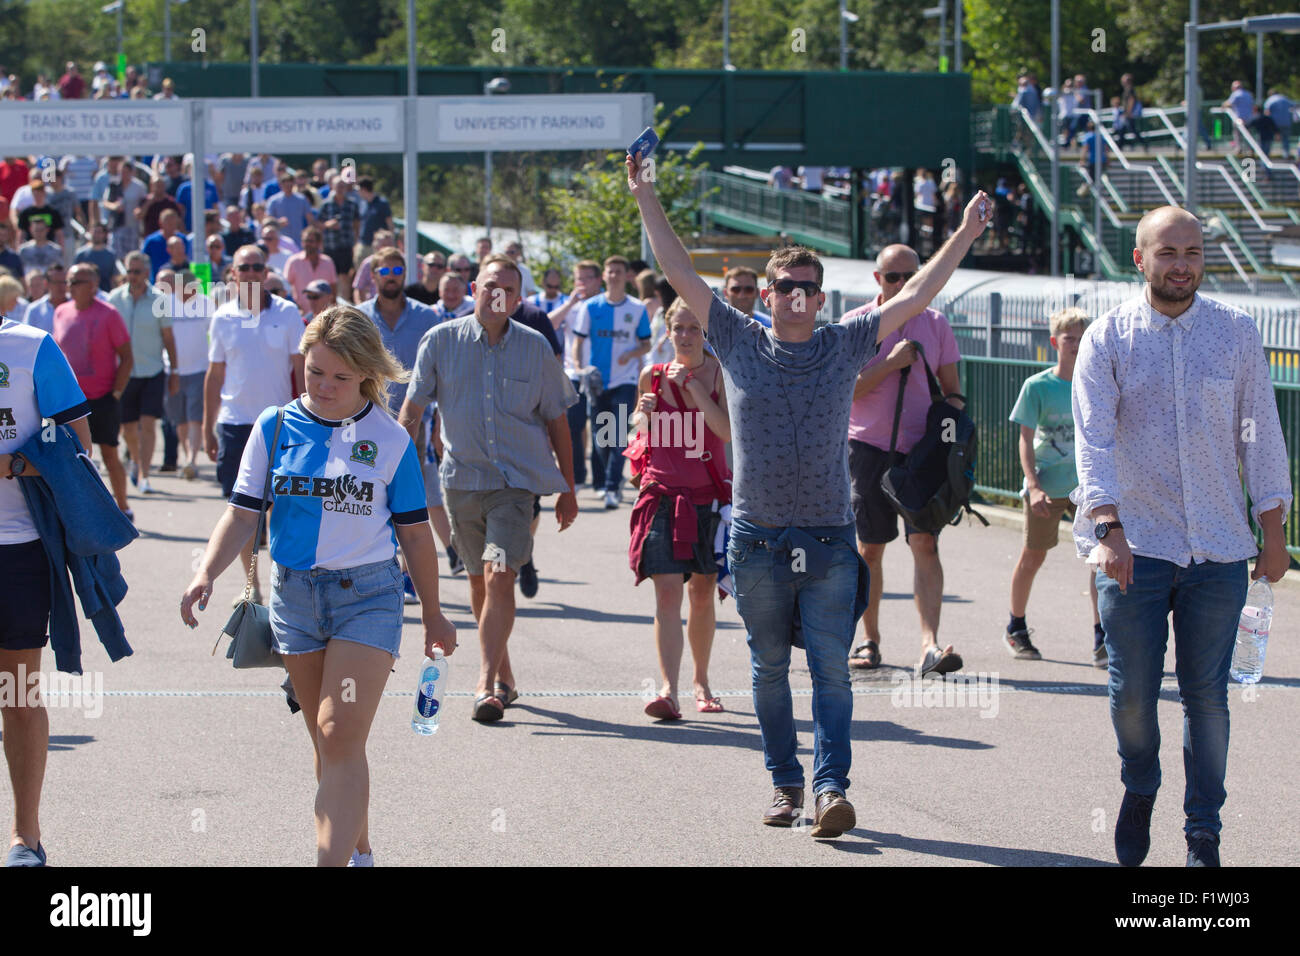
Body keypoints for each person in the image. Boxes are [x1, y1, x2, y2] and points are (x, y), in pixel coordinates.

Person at [628, 147, 992, 837]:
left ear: (820, 298)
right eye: (783, 285)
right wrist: (644, 192)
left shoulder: (845, 342)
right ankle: (785, 783)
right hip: (758, 536)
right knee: (768, 670)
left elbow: (917, 296)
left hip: (828, 536)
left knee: (832, 670)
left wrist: (967, 233)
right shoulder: (736, 339)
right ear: (766, 296)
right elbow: (677, 266)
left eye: (806, 285)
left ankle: (830, 790)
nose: (794, 295)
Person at [181, 305, 456, 867]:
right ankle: (362, 852)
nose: (325, 386)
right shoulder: (274, 426)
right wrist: (205, 571)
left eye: (341, 376)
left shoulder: (390, 438)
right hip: (294, 598)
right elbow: (241, 514)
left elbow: (416, 533)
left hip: (369, 597)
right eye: (315, 372)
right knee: (327, 742)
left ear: (366, 375)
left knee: (337, 731)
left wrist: (434, 610)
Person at [1073, 205, 1292, 868]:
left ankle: (1204, 832)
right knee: (1132, 695)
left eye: (1193, 252)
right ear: (1139, 259)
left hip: (1220, 549)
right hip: (1133, 550)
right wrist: (1108, 528)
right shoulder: (1107, 338)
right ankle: (1141, 786)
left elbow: (1259, 431)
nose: (1182, 264)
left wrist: (1274, 525)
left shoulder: (1235, 333)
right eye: (1168, 251)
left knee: (1208, 697)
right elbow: (1093, 441)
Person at [398, 254, 579, 723]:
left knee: (500, 575)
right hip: (461, 481)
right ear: (474, 286)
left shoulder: (535, 346)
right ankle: (505, 676)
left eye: (508, 289)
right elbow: (413, 409)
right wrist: (396, 472)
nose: (497, 294)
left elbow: (559, 417)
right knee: (479, 580)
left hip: (515, 485)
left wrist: (569, 487)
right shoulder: (440, 341)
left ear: (518, 299)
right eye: (490, 285)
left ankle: (484, 683)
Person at [842, 244, 965, 678]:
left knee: (925, 542)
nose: (903, 285)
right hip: (869, 448)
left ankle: (929, 645)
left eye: (911, 277)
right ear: (877, 279)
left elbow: (953, 392)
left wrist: (950, 438)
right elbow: (844, 391)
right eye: (894, 277)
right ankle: (869, 638)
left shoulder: (936, 324)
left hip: (922, 452)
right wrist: (888, 364)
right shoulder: (856, 324)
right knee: (869, 548)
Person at [0, 311, 94, 867]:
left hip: (18, 547)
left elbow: (75, 443)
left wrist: (11, 463)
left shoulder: (30, 346)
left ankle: (24, 837)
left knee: (18, 695)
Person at [628, 298, 731, 720]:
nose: (686, 335)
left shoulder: (720, 373)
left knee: (702, 594)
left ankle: (701, 681)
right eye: (679, 328)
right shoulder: (650, 376)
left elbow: (725, 431)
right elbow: (638, 434)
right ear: (667, 331)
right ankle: (668, 689)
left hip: (707, 498)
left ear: (705, 333)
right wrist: (642, 415)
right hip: (663, 495)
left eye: (694, 328)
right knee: (667, 591)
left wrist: (690, 387)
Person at [203, 245, 306, 604]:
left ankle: (283, 584)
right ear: (232, 273)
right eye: (243, 266)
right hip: (235, 425)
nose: (250, 272)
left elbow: (301, 369)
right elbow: (214, 375)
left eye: (257, 266)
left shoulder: (289, 312)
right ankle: (252, 587)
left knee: (283, 508)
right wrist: (207, 426)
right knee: (243, 509)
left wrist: (312, 419)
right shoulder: (223, 317)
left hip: (282, 423)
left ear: (266, 272)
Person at [355, 246, 457, 597]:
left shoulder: (427, 317)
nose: (392, 277)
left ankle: (412, 575)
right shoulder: (359, 318)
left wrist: (441, 422)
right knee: (371, 501)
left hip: (417, 426)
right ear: (373, 276)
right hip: (367, 424)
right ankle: (388, 571)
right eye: (384, 272)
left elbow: (444, 373)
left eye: (397, 271)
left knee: (413, 502)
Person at [1004, 307, 1103, 665]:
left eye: (1081, 338)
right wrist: (1032, 486)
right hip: (1047, 483)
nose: (1076, 345)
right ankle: (1016, 626)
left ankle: (1102, 635)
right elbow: (1025, 440)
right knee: (1033, 556)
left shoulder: (1096, 383)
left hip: (1089, 487)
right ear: (1054, 342)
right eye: (1069, 338)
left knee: (1101, 560)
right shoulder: (1038, 386)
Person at [570, 255, 652, 509]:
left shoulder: (637, 308)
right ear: (604, 276)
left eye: (618, 271)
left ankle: (611, 487)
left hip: (625, 381)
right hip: (596, 381)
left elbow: (646, 343)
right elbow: (578, 341)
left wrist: (631, 354)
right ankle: (608, 479)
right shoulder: (591, 307)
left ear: (626, 276)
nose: (614, 275)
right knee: (599, 438)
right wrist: (580, 367)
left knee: (616, 435)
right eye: (610, 271)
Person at [52, 263, 133, 517]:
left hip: (102, 399)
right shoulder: (61, 312)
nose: (70, 287)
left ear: (93, 285)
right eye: (69, 281)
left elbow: (127, 357)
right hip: (69, 402)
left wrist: (116, 394)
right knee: (72, 459)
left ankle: (123, 507)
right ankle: (79, 511)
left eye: (76, 282)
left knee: (109, 454)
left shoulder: (109, 314)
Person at [108, 252, 176, 496]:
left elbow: (168, 337)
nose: (133, 276)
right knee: (128, 429)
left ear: (147, 273)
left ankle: (145, 474)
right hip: (123, 374)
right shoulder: (114, 299)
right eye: (130, 271)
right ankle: (136, 460)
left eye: (137, 271)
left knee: (148, 424)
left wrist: (175, 370)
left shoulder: (160, 299)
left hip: (153, 371)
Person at [548, 261, 600, 490]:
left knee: (608, 428)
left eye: (587, 278)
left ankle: (607, 480)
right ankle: (578, 476)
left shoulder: (604, 305)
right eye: (579, 278)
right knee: (573, 427)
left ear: (598, 280)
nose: (582, 283)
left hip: (604, 374)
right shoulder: (569, 305)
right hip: (573, 374)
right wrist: (570, 303)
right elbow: (548, 325)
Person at [162, 269, 212, 480]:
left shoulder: (206, 303)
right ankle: (186, 456)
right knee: (179, 419)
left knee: (194, 417)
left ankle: (191, 459)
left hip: (200, 369)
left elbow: (214, 333)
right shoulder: (166, 304)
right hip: (172, 371)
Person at [285, 226, 337, 312]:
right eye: (305, 241)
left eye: (311, 241)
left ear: (319, 243)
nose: (307, 244)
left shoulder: (328, 262)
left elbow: (333, 289)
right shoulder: (294, 262)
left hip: (323, 314)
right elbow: (286, 287)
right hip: (301, 314)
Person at [266, 171, 315, 246]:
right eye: (285, 186)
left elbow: (310, 219)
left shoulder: (301, 199)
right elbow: (267, 220)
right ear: (280, 185)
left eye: (290, 185)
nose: (288, 188)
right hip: (280, 241)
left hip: (298, 241)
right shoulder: (273, 201)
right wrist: (277, 222)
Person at [19, 263, 67, 334]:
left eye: (64, 282)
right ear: (46, 283)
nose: (61, 286)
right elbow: (26, 336)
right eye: (56, 282)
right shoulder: (34, 309)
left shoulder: (77, 307)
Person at [354, 178, 392, 265]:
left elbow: (390, 223)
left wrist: (390, 241)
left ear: (363, 189)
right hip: (363, 244)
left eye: (358, 189)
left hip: (377, 245)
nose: (358, 192)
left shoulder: (382, 203)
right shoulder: (362, 203)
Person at [74, 222, 119, 292]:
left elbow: (113, 278)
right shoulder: (81, 254)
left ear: (104, 235)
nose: (96, 235)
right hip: (84, 293)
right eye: (94, 232)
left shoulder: (110, 254)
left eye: (99, 232)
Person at [1263, 89, 1294, 158]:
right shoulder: (1285, 99)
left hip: (1274, 123)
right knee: (1285, 139)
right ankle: (1286, 154)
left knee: (1269, 139)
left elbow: (1266, 112)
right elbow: (1293, 107)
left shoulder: (1270, 99)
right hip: (1286, 122)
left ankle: (1267, 154)